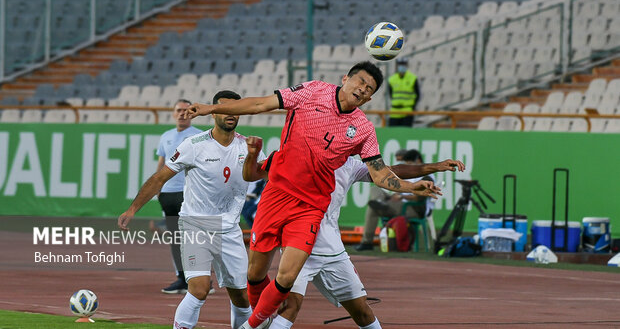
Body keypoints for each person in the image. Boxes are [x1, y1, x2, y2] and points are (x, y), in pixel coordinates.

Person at [184, 61, 441, 329]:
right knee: (255, 275)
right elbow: (260, 104)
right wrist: (211, 108)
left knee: (286, 278)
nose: (363, 90)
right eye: (360, 82)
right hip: (276, 195)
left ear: (371, 98)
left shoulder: (363, 129)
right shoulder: (313, 91)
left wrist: (412, 186)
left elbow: (378, 173)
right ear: (346, 79)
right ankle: (260, 321)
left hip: (311, 206)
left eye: (369, 89)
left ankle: (250, 327)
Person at [243, 140, 464, 329]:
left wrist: (435, 167)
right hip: (299, 246)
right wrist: (252, 157)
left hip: (332, 250)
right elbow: (255, 174)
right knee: (290, 307)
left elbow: (392, 170)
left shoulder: (350, 166)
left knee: (362, 312)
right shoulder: (298, 156)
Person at [118, 90, 266, 329]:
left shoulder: (247, 146)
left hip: (229, 229)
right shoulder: (194, 145)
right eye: (223, 108)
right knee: (199, 288)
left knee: (241, 296)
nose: (230, 114)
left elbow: (266, 178)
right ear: (213, 112)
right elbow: (159, 178)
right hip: (196, 224)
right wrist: (132, 209)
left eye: (234, 109)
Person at [155, 99, 203, 294]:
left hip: (188, 193)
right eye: (179, 110)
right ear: (173, 113)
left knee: (192, 237)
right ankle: (182, 278)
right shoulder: (166, 136)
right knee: (175, 237)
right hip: (168, 193)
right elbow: (161, 163)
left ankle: (200, 279)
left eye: (186, 110)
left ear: (192, 113)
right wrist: (157, 189)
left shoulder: (199, 136)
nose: (182, 113)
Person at [355, 149, 445, 251]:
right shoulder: (411, 174)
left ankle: (367, 241)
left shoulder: (427, 177)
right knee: (375, 189)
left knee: (373, 208)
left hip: (413, 208)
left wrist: (402, 197)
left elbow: (419, 198)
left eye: (410, 163)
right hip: (400, 203)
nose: (408, 165)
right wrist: (397, 194)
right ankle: (381, 203)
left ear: (418, 161)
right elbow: (402, 188)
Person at [387, 57, 420, 126]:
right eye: (400, 64)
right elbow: (391, 95)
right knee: (392, 133)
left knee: (406, 133)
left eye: (403, 64)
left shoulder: (413, 78)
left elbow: (418, 95)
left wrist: (412, 107)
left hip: (407, 110)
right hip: (395, 110)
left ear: (407, 65)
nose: (401, 66)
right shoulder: (392, 79)